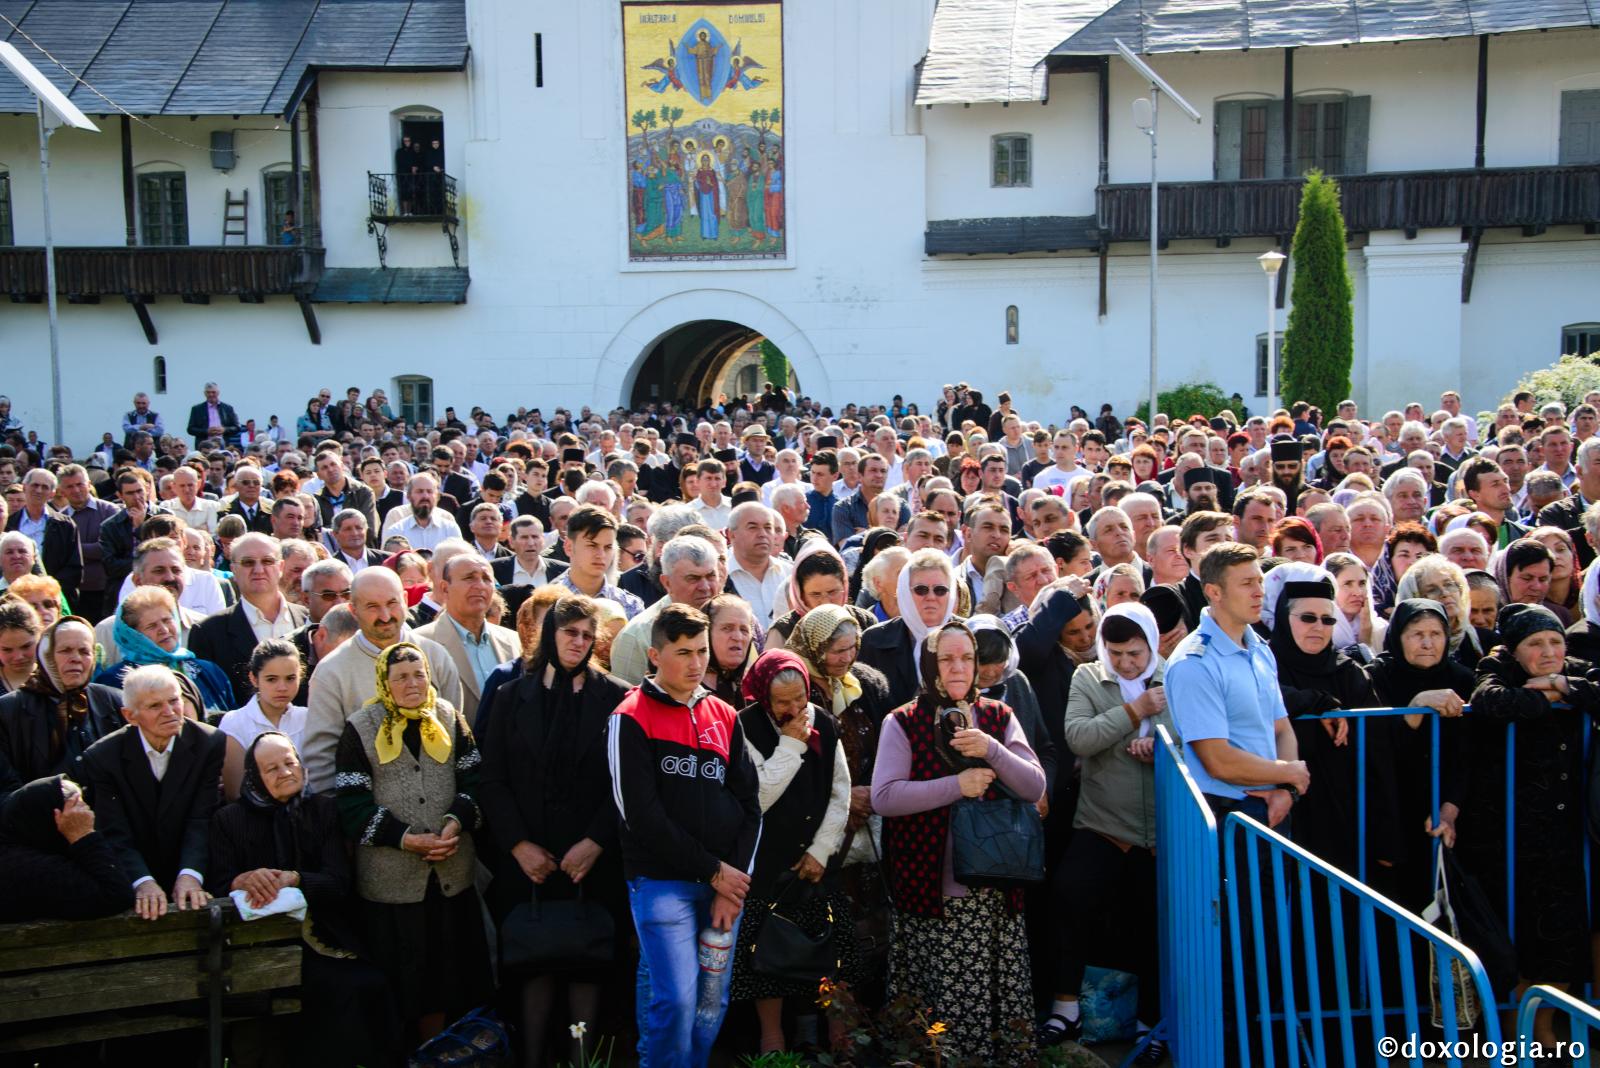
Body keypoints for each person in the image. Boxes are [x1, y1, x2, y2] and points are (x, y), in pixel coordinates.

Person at [871, 620, 1045, 1064]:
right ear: (929, 665)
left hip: (995, 888)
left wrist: (990, 748)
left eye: (966, 658)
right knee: (939, 1015)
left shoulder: (997, 717)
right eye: (946, 659)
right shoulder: (903, 722)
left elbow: (1034, 785)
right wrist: (957, 784)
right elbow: (885, 798)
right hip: (930, 891)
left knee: (992, 1007)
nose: (958, 668)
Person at [607, 603, 762, 1067]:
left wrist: (730, 884)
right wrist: (712, 871)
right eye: (682, 652)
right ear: (655, 655)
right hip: (662, 885)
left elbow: (750, 805)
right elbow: (641, 817)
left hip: (723, 887)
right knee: (674, 1000)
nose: (696, 663)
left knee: (710, 1007)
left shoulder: (724, 714)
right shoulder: (629, 716)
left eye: (700, 652)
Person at [479, 595, 629, 1067]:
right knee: (533, 965)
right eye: (570, 632)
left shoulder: (617, 697)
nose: (579, 642)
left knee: (587, 963)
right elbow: (491, 780)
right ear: (550, 634)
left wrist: (596, 842)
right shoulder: (510, 696)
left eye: (588, 635)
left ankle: (583, 1062)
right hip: (529, 862)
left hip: (592, 861)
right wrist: (519, 846)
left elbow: (625, 782)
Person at [208, 732, 397, 1067]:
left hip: (319, 936)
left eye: (289, 762)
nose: (284, 772)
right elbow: (219, 883)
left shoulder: (322, 810)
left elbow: (338, 884)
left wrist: (294, 879)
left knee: (360, 984)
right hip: (257, 945)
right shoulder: (230, 820)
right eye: (271, 769)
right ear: (255, 776)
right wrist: (243, 880)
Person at [335, 642, 491, 1045]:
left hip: (451, 878)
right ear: (384, 683)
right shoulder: (360, 728)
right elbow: (351, 804)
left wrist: (455, 822)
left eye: (418, 674)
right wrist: (405, 839)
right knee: (406, 981)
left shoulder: (450, 720)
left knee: (453, 976)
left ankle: (451, 1050)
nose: (411, 684)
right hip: (392, 887)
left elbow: (475, 781)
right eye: (400, 677)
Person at [1463, 604, 1596, 1036]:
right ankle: (1520, 1035)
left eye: (1555, 642)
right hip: (1510, 834)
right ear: (1515, 650)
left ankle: (1544, 1031)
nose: (1548, 651)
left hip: (1567, 832)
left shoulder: (1574, 670)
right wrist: (1544, 699)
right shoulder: (1495, 665)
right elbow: (1488, 701)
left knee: (1563, 939)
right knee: (1518, 940)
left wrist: (1563, 685)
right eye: (1535, 644)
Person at [1045, 603, 1171, 1058]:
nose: (1125, 663)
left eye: (1134, 653)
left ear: (1152, 646)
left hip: (1159, 832)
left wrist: (1160, 743)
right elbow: (1078, 736)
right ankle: (1065, 1005)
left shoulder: (1172, 677)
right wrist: (1134, 711)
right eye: (1115, 653)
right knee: (1069, 895)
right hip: (1101, 823)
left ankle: (1149, 1022)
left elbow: (1192, 734)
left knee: (1151, 923)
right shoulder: (1089, 678)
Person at [730, 650, 853, 1053]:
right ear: (764, 696)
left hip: (818, 864)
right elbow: (757, 797)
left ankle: (839, 1038)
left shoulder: (825, 722)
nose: (794, 708)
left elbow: (841, 793)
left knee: (831, 951)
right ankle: (772, 1039)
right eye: (782, 701)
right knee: (769, 954)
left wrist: (821, 850)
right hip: (768, 865)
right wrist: (790, 745)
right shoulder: (743, 728)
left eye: (799, 697)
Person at [77, 665, 226, 920]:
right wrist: (142, 881)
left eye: (174, 700)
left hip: (191, 865)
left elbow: (201, 818)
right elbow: (114, 831)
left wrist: (190, 874)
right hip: (133, 874)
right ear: (130, 716)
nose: (169, 712)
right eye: (155, 706)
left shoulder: (209, 742)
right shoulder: (102, 758)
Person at [301, 567, 463, 792]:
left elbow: (458, 736)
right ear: (353, 610)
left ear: (405, 600)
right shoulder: (331, 672)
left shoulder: (436, 656)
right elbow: (322, 760)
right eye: (372, 607)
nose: (385, 616)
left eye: (392, 603)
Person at [1364, 599, 1471, 910]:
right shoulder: (1376, 676)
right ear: (1398, 636)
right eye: (1416, 634)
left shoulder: (1461, 678)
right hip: (1392, 807)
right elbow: (1378, 748)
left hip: (1443, 808)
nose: (1427, 643)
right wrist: (1417, 706)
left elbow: (1467, 754)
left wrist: (1450, 809)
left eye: (1436, 634)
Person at [0, 616, 121, 796]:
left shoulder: (114, 701)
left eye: (84, 651)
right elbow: (6, 789)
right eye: (65, 650)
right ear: (46, 656)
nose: (76, 659)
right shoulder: (9, 710)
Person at [190, 533, 309, 701]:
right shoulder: (207, 632)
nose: (258, 570)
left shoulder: (308, 620)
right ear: (233, 570)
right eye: (248, 563)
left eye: (267, 561)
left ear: (281, 567)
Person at [0, 774, 135, 920]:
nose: (88, 816)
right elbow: (116, 894)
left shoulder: (15, 834)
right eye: (76, 813)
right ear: (56, 817)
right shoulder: (25, 867)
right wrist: (83, 835)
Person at [96, 586, 235, 714]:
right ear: (133, 636)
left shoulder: (208, 671)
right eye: (151, 626)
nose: (164, 630)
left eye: (167, 620)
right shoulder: (114, 681)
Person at [858, 547, 958, 708]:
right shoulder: (874, 641)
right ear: (904, 592)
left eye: (940, 590)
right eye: (921, 590)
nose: (931, 597)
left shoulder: (971, 635)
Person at [216, 639, 307, 802]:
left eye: (290, 678)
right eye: (271, 679)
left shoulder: (308, 717)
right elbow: (235, 793)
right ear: (254, 678)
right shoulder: (234, 723)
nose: (282, 687)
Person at [702, 593, 757, 708]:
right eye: (727, 628)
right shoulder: (690, 690)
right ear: (707, 633)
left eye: (744, 630)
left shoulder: (757, 687)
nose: (738, 637)